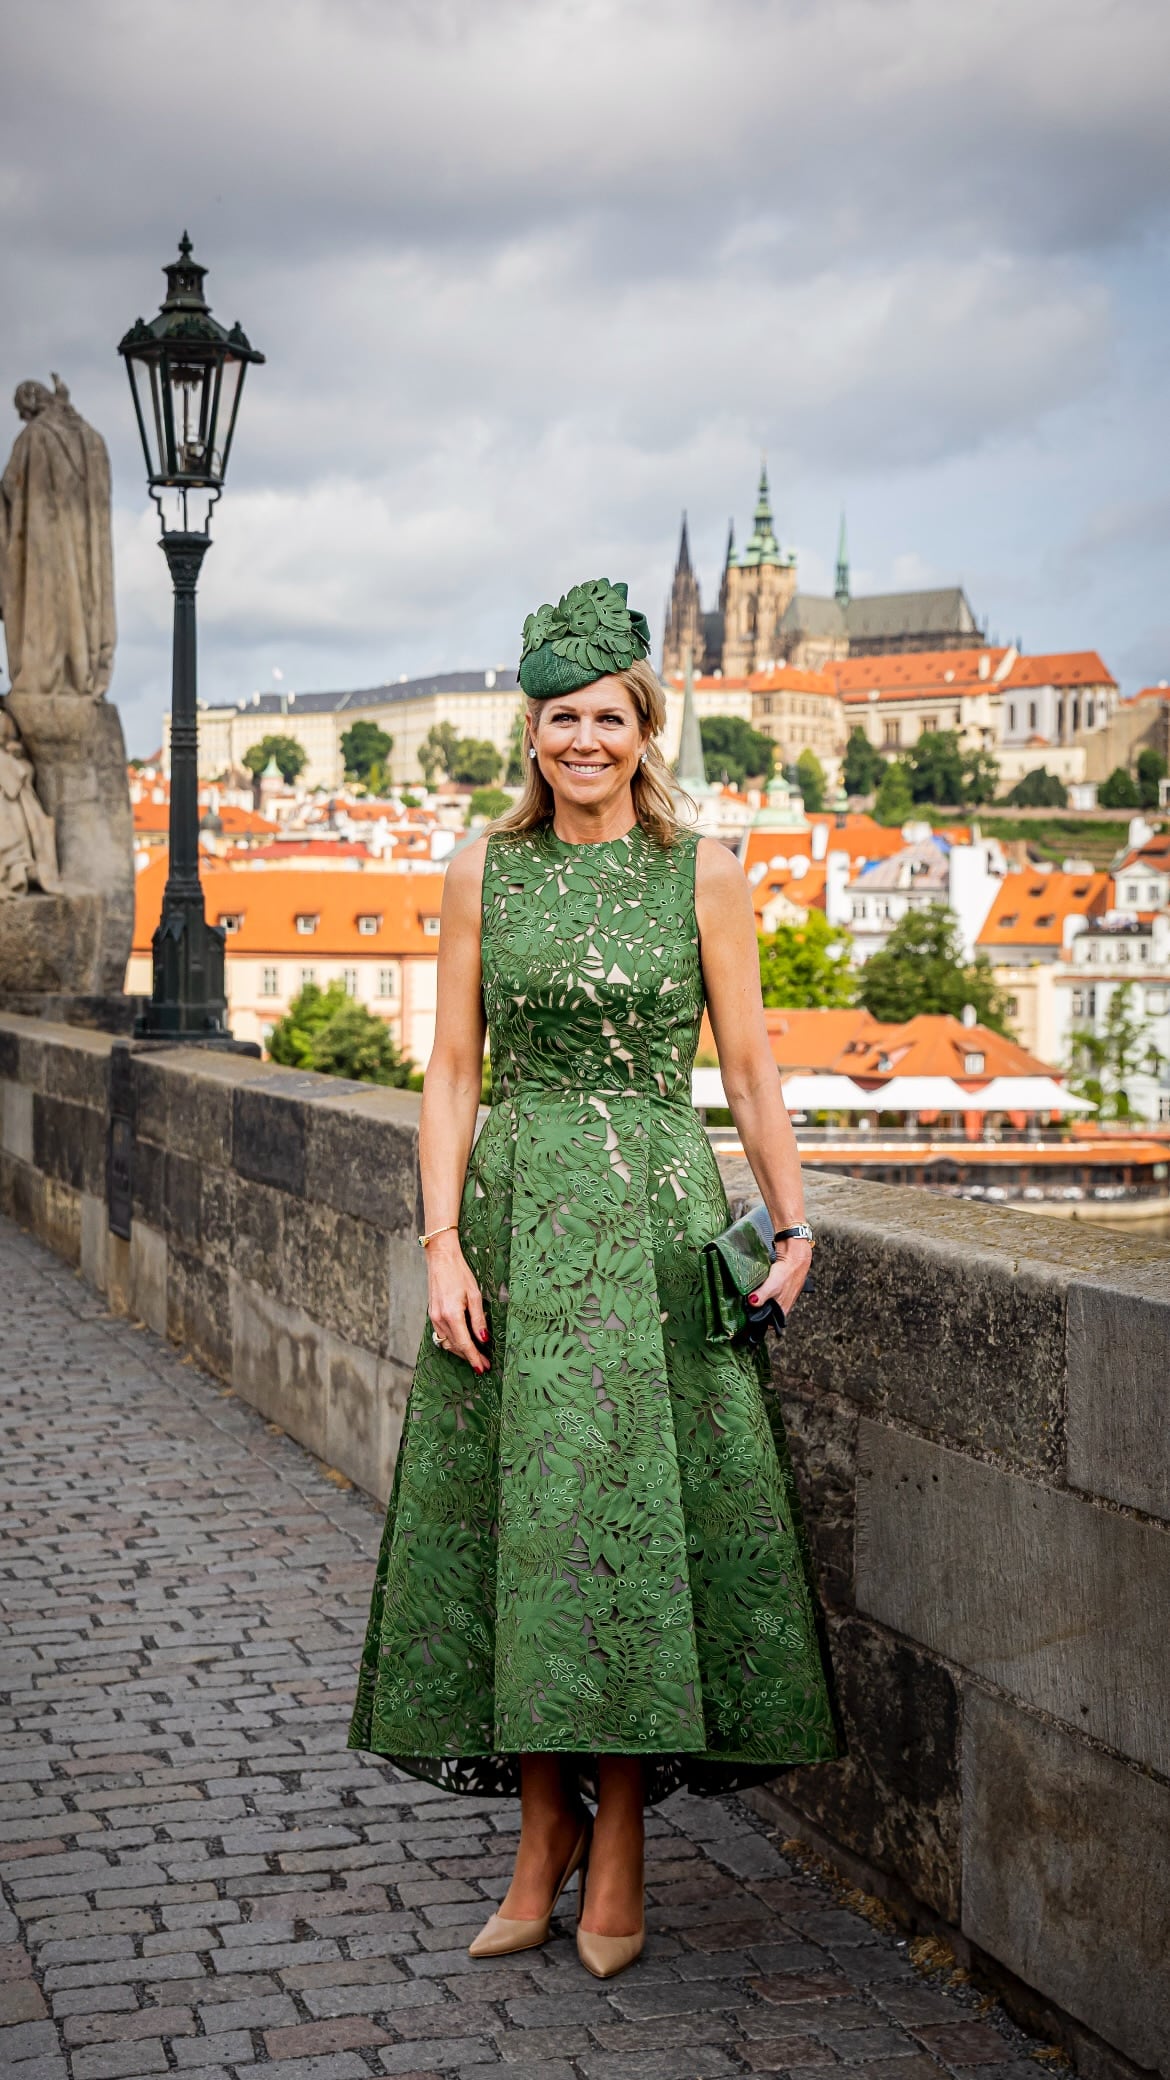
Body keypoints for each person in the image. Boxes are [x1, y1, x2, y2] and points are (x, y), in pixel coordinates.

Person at [348, 578, 839, 1979]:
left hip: (654, 1230)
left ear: (645, 730)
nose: (583, 739)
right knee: (529, 1526)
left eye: (607, 717)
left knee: (637, 1535)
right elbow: (453, 1069)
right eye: (560, 716)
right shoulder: (479, 869)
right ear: (530, 732)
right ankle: (542, 1827)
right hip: (515, 1225)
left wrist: (795, 1227)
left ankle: (616, 1833)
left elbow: (749, 1070)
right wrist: (440, 1242)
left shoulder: (704, 873)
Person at [0, 376, 116, 702]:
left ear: (31, 406)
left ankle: (45, 674)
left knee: (46, 608)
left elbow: (10, 487)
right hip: (87, 554)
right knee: (81, 607)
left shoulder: (34, 437)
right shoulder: (94, 441)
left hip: (44, 550)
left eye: (23, 412)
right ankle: (83, 671)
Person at [0, 705, 60, 896]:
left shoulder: (5, 717)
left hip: (10, 789)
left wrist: (14, 752)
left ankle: (18, 865)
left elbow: (18, 754)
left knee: (18, 809)